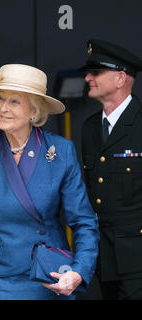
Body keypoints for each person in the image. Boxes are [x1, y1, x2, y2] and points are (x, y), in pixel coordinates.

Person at [0, 64, 99, 300]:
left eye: (15, 101)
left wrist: (78, 271)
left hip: (49, 276)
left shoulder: (61, 151)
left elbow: (83, 222)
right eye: (0, 98)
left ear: (34, 110)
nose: (3, 108)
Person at [79, 39, 142, 300]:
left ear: (120, 78)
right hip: (102, 258)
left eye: (96, 72)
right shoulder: (91, 128)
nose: (87, 78)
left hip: (137, 259)